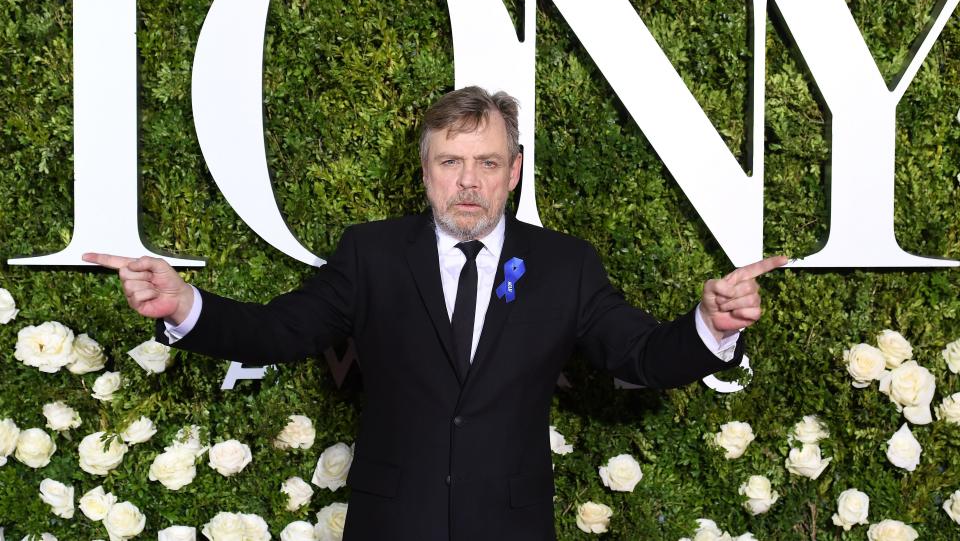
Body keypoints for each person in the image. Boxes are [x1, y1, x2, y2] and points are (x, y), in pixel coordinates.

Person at [84, 86, 786, 541]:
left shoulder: (565, 265)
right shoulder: (371, 254)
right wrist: (186, 306)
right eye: (451, 161)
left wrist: (711, 326)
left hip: (510, 527)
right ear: (426, 170)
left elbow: (639, 355)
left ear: (515, 168)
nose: (470, 181)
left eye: (487, 161)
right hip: (392, 523)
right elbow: (279, 329)